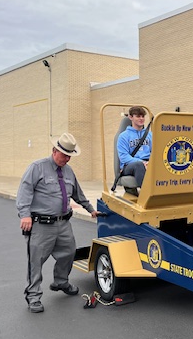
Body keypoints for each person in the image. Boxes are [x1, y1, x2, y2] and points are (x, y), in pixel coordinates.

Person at [17, 133, 99, 313]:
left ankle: (61, 282)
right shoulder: (37, 168)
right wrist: (25, 215)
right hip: (40, 225)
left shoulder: (68, 171)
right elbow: (24, 191)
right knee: (36, 261)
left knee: (69, 253)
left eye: (70, 155)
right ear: (54, 151)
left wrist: (90, 209)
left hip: (63, 224)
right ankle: (33, 297)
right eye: (64, 155)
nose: (67, 159)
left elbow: (78, 193)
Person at [117, 105, 152, 194]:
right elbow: (124, 157)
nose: (141, 118)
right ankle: (147, 195)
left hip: (148, 163)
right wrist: (142, 162)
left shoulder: (150, 135)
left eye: (142, 116)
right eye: (138, 116)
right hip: (130, 166)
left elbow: (155, 152)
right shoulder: (123, 136)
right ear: (131, 117)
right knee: (139, 165)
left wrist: (150, 162)